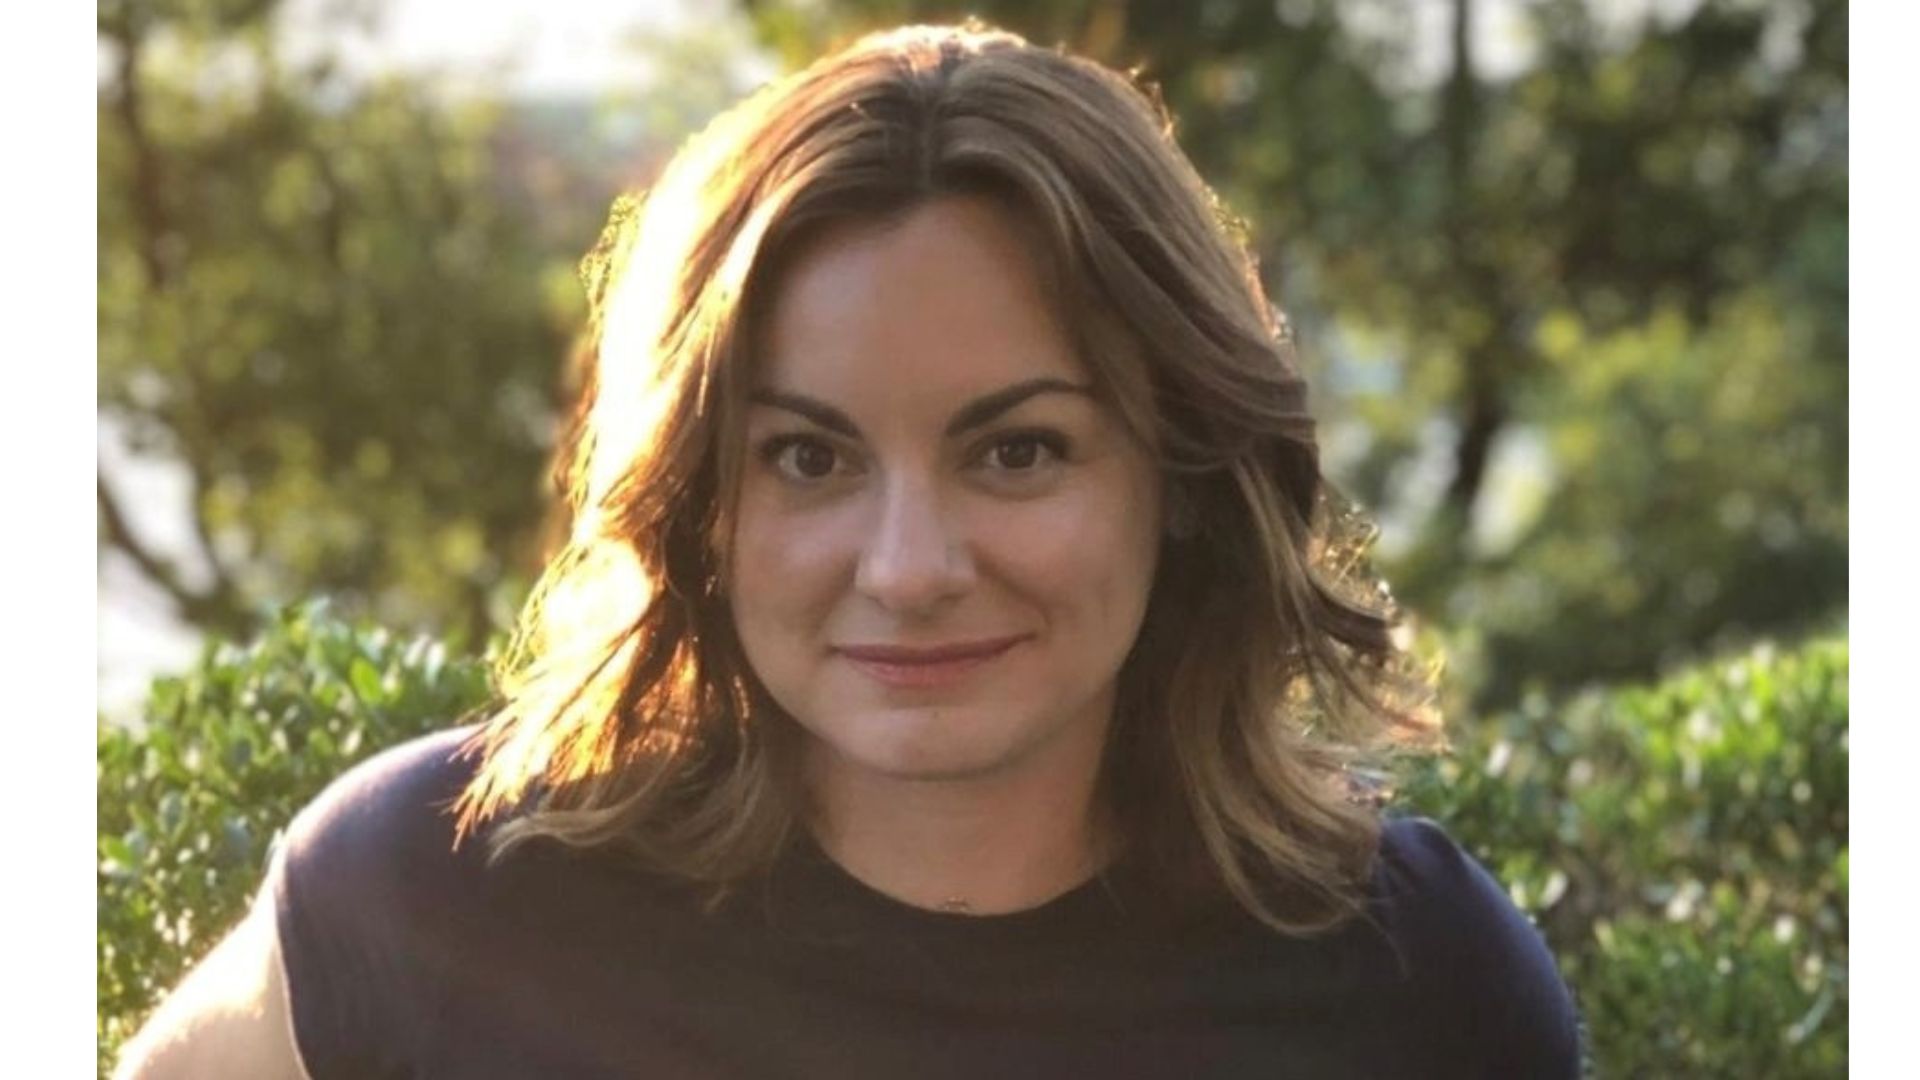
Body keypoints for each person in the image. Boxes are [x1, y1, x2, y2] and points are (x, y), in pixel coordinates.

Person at [116, 23, 1583, 1079]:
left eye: (1019, 450)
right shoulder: (429, 905)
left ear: (1187, 474)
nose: (908, 567)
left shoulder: (1415, 986)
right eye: (808, 458)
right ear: (697, 497)